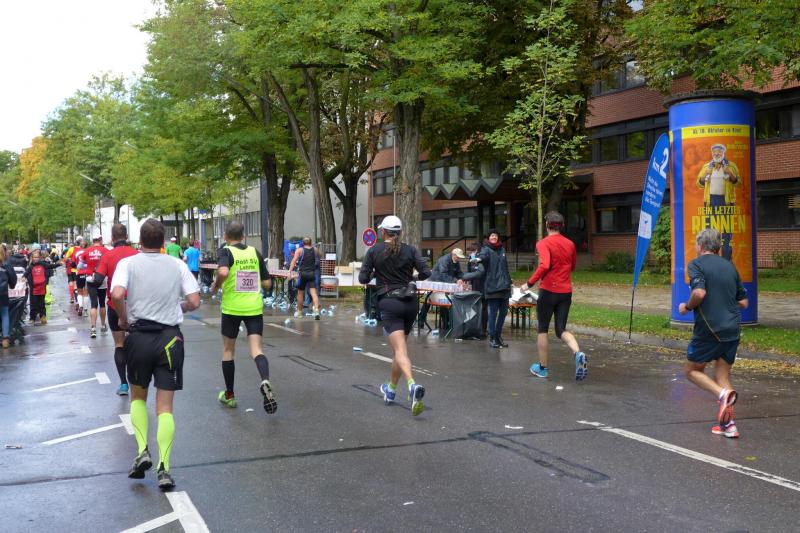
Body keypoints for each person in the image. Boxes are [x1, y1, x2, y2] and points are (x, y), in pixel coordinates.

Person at [111, 218, 200, 490]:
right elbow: (195, 300)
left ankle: (142, 451)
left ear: (140, 241)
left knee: (138, 398)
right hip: (170, 339)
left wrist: (123, 318)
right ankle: (164, 468)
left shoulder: (128, 264)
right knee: (165, 407)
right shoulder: (177, 265)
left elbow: (117, 294)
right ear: (163, 242)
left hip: (139, 337)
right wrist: (179, 308)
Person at [358, 215, 431, 416]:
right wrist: (413, 276)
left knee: (400, 351)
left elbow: (363, 278)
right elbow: (426, 272)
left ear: (383, 232)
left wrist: (375, 273)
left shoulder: (375, 251)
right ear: (400, 232)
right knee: (400, 351)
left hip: (390, 302)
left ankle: (412, 385)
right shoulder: (410, 250)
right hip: (410, 302)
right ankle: (390, 389)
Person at [679, 228, 748, 438]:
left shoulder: (696, 264)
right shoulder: (730, 267)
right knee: (722, 375)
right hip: (733, 329)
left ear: (700, 246)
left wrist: (687, 307)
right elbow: (743, 302)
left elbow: (699, 293)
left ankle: (722, 394)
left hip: (710, 328)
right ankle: (729, 426)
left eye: (695, 244)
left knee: (691, 370)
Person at [211, 221, 276, 413]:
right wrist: (252, 279)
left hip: (232, 308)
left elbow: (223, 271)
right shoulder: (255, 252)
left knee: (228, 351)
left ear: (225, 236)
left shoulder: (225, 251)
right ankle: (265, 380)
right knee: (256, 349)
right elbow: (267, 283)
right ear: (243, 236)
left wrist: (216, 285)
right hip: (253, 307)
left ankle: (230, 395)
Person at [522, 211, 588, 380]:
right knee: (561, 329)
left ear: (546, 225)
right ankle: (578, 353)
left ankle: (542, 368)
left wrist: (529, 283)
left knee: (543, 329)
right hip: (565, 292)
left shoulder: (543, 243)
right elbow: (572, 266)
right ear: (562, 226)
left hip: (548, 291)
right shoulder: (570, 244)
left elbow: (544, 265)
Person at [94, 224, 139, 396]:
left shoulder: (108, 255)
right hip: (135, 304)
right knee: (136, 343)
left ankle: (123, 384)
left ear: (112, 238)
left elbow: (98, 279)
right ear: (126, 236)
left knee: (119, 344)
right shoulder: (137, 254)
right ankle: (136, 380)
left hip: (115, 304)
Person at [697, 144, 739, 261]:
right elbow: (699, 183)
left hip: (727, 202)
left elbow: (737, 182)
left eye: (719, 151)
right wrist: (706, 174)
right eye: (714, 151)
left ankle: (726, 259)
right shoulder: (706, 166)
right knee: (710, 231)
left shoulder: (731, 166)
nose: (717, 154)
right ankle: (711, 259)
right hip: (710, 201)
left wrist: (729, 173)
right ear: (712, 153)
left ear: (724, 153)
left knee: (727, 231)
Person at [477, 229, 512, 349]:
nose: (494, 237)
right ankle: (492, 337)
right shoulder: (485, 249)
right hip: (492, 286)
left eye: (496, 236)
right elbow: (483, 257)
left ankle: (498, 336)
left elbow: (505, 266)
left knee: (504, 312)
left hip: (504, 286)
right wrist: (479, 259)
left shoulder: (502, 249)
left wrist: (509, 280)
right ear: (488, 237)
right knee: (493, 313)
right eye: (492, 235)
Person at [25, 249, 60, 326]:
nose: (36, 259)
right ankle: (32, 318)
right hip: (34, 288)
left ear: (39, 257)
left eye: (37, 257)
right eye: (34, 257)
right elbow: (26, 274)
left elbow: (50, 266)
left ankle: (43, 317)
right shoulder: (31, 266)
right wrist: (24, 278)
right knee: (33, 304)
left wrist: (59, 264)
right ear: (32, 258)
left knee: (41, 303)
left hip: (41, 287)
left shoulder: (42, 264)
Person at [289, 237, 321, 319]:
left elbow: (294, 260)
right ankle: (316, 311)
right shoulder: (315, 250)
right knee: (314, 293)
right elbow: (318, 258)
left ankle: (299, 312)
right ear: (311, 242)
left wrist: (290, 271)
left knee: (300, 293)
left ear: (303, 243)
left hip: (302, 274)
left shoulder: (299, 250)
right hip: (312, 274)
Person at [84, 235, 108, 338]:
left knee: (93, 304)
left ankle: (93, 328)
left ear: (92, 241)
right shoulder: (105, 250)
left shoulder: (87, 251)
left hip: (90, 278)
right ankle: (102, 325)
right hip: (102, 278)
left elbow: (81, 264)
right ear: (100, 240)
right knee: (102, 303)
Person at [462, 242, 487, 338]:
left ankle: (483, 329)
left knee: (484, 308)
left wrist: (465, 277)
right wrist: (467, 281)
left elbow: (480, 273)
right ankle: (476, 328)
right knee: (475, 307)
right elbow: (469, 271)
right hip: (474, 285)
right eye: (468, 252)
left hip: (483, 286)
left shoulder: (481, 259)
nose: (469, 254)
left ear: (476, 251)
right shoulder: (470, 259)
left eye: (470, 252)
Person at [0, 247, 18, 348]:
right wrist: (11, 285)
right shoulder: (7, 265)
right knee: (4, 315)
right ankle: (5, 339)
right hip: (3, 293)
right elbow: (13, 280)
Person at [73, 237, 89, 317]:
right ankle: (85, 311)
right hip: (88, 273)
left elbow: (74, 263)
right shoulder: (89, 252)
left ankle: (81, 306)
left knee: (79, 292)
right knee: (86, 293)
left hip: (79, 273)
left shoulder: (76, 253)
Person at [63, 240, 78, 305]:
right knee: (75, 284)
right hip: (76, 269)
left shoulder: (67, 251)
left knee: (71, 283)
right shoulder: (77, 251)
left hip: (69, 269)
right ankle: (77, 299)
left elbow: (65, 260)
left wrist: (67, 259)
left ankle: (72, 298)